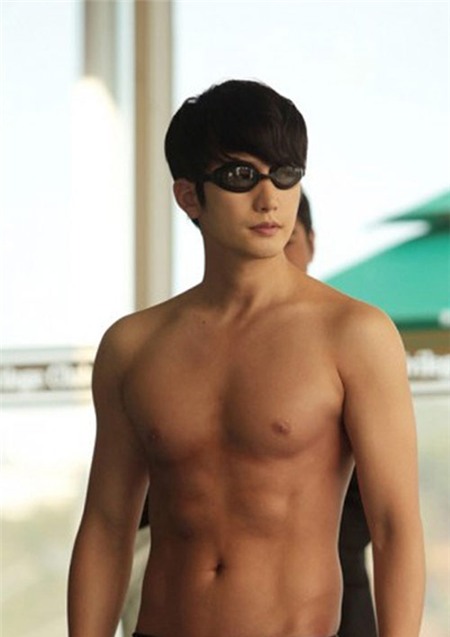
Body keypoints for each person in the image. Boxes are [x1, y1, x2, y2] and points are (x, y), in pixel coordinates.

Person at [68, 79, 425, 637]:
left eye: (285, 174)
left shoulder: (353, 334)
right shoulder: (133, 347)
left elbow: (395, 525)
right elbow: (107, 526)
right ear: (189, 196)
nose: (269, 198)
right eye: (241, 176)